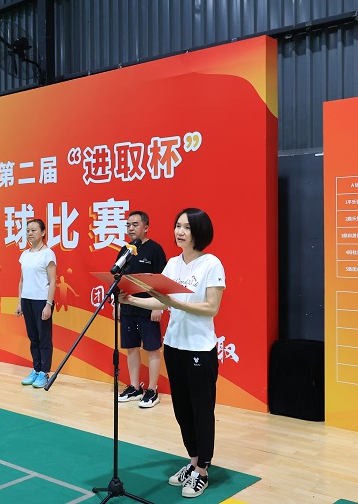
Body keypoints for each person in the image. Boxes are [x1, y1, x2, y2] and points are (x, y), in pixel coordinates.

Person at [119, 208, 225, 499]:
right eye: (178, 225)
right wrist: (131, 300)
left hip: (199, 349)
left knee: (201, 411)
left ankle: (203, 470)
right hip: (175, 347)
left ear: (199, 232)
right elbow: (161, 302)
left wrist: (175, 304)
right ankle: (193, 461)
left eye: (187, 227)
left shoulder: (211, 264)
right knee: (182, 411)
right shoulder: (173, 264)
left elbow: (211, 308)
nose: (180, 232)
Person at [115, 211, 167, 408]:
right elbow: (118, 280)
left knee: (152, 349)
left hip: (148, 308)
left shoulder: (155, 249)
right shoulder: (125, 251)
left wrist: (158, 308)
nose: (130, 228)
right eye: (128, 225)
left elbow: (162, 281)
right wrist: (117, 304)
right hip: (128, 306)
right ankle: (135, 387)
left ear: (146, 227)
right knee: (131, 348)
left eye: (135, 225)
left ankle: (152, 390)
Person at [15, 219, 57, 389]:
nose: (30, 233)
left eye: (33, 230)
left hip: (41, 301)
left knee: (43, 338)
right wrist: (19, 303)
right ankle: (36, 369)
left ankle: (44, 373)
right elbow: (21, 281)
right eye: (27, 230)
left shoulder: (48, 254)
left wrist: (48, 304)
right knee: (33, 338)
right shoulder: (25, 254)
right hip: (27, 300)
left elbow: (53, 282)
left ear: (43, 232)